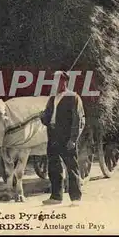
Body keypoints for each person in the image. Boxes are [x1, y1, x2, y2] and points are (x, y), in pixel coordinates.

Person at [40, 71, 86, 206]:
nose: (56, 84)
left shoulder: (73, 97)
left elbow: (78, 120)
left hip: (66, 137)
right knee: (54, 168)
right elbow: (47, 119)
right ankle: (56, 197)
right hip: (53, 136)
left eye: (59, 81)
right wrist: (42, 116)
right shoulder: (52, 98)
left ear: (65, 82)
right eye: (54, 81)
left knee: (72, 167)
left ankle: (76, 198)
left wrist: (73, 139)